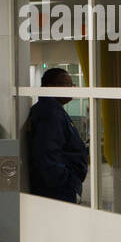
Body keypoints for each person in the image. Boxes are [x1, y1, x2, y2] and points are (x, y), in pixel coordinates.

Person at [25, 67, 88, 203]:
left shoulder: (55, 110)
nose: (71, 88)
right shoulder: (50, 113)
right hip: (57, 192)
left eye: (73, 84)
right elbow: (47, 153)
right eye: (67, 84)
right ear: (50, 87)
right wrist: (66, 182)